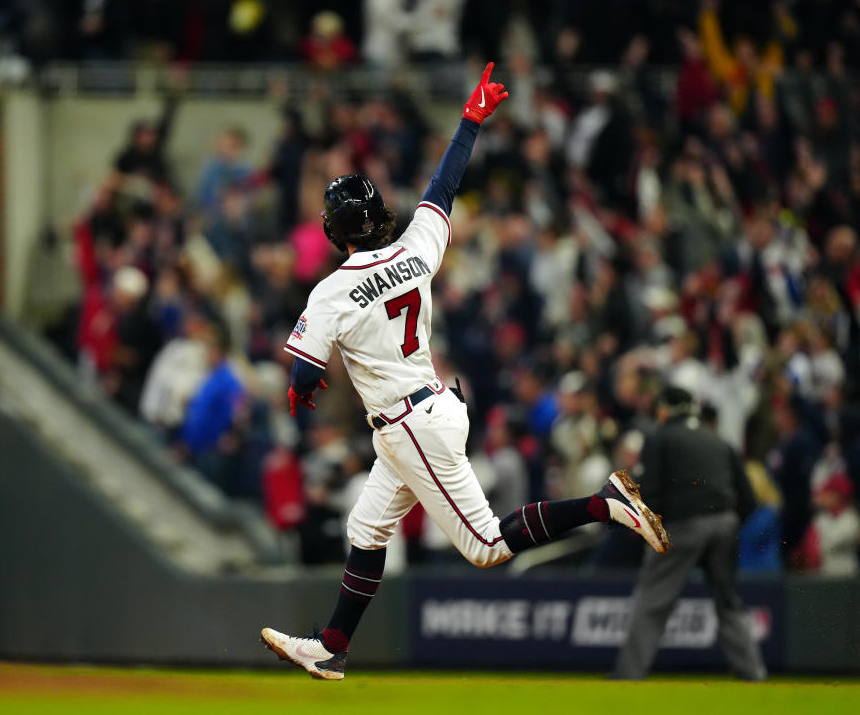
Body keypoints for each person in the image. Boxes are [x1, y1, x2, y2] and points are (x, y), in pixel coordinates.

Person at [259, 65, 671, 681]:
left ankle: (604, 504)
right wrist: (470, 121)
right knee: (366, 527)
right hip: (428, 409)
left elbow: (302, 376)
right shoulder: (417, 252)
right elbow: (443, 188)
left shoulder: (332, 292)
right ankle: (332, 645)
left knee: (486, 547)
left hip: (410, 423)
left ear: (333, 230)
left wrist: (302, 390)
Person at [613, 386, 765, 681]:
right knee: (729, 601)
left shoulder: (661, 438)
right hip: (725, 522)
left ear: (668, 409)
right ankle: (753, 674)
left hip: (684, 525)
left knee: (652, 601)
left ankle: (627, 677)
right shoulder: (718, 439)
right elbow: (749, 498)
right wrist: (729, 523)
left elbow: (650, 492)